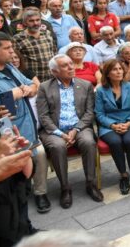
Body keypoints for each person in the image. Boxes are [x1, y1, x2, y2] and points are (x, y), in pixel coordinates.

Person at [0, 31, 50, 214]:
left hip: (29, 134)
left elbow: (33, 85)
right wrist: (9, 100)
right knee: (15, 189)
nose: (13, 52)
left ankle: (39, 194)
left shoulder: (10, 67)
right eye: (7, 48)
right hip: (11, 143)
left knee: (37, 163)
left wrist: (29, 88)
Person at [37, 54, 102, 208]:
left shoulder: (85, 85)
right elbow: (43, 116)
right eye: (65, 66)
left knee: (88, 141)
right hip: (54, 130)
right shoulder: (44, 87)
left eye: (71, 64)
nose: (71, 67)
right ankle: (65, 188)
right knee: (58, 146)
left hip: (79, 126)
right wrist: (61, 134)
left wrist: (76, 129)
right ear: (54, 71)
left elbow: (89, 112)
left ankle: (91, 184)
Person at [95, 59, 130, 197]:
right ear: (108, 74)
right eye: (114, 69)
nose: (119, 72)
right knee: (115, 142)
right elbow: (99, 114)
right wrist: (113, 125)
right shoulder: (100, 91)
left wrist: (128, 123)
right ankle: (123, 175)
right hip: (109, 125)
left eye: (120, 69)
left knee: (129, 141)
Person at [13, 9, 57, 81]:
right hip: (32, 80)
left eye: (37, 20)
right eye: (31, 21)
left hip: (51, 78)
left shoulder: (47, 33)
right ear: (25, 23)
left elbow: (54, 52)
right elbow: (15, 61)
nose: (35, 23)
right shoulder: (18, 38)